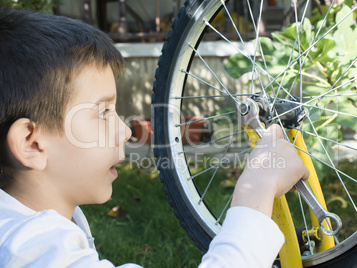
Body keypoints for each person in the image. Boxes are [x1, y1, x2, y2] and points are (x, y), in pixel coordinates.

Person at [0, 8, 309, 268]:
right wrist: (256, 191)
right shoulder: (34, 249)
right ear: (31, 143)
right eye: (102, 112)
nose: (124, 130)